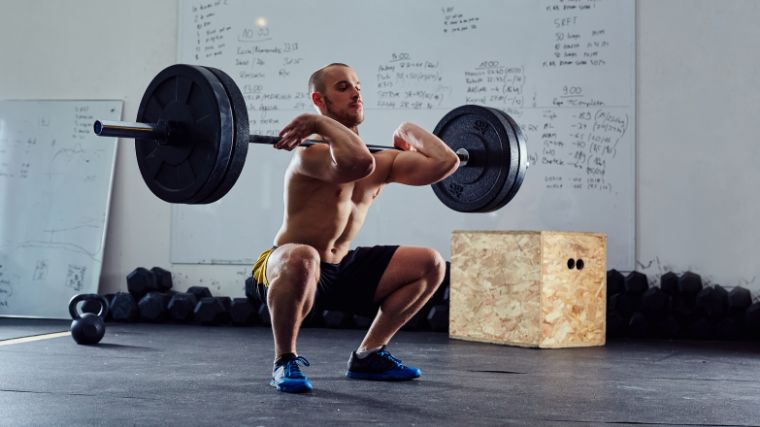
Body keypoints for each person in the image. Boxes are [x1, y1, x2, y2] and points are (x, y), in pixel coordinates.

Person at [251, 63, 459, 393]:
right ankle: (284, 360)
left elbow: (446, 163)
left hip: (338, 268)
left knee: (430, 264)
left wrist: (407, 130)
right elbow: (355, 163)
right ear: (319, 99)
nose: (356, 92)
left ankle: (369, 354)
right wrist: (319, 124)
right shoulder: (312, 154)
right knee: (303, 256)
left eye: (358, 86)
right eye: (343, 87)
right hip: (286, 266)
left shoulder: (382, 161)